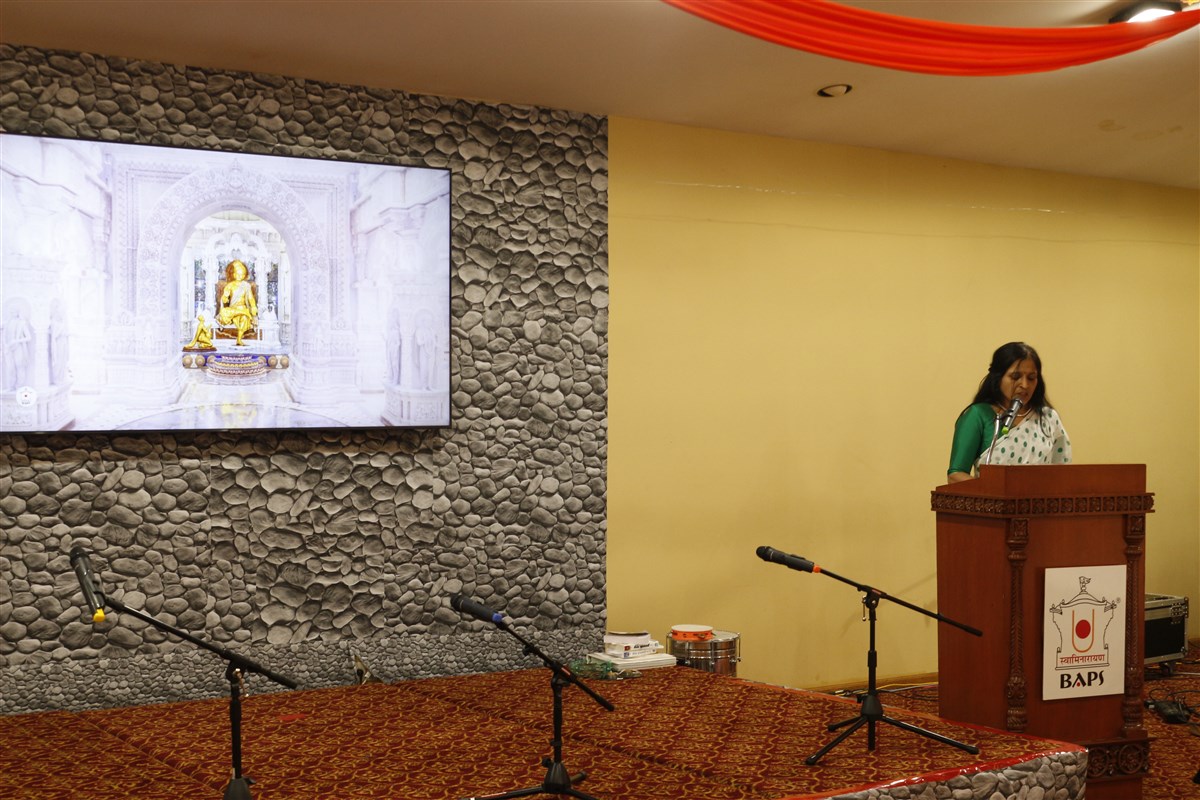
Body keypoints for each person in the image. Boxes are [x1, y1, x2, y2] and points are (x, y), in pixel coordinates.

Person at [947, 341, 1071, 483]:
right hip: (991, 497)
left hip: (1040, 497)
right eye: (1015, 377)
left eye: (1031, 378)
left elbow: (1062, 474)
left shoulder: (1048, 418)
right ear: (998, 377)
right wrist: (991, 491)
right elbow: (955, 475)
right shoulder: (978, 415)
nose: (1025, 385)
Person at [217, 259, 258, 346]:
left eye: (242, 274)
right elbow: (224, 299)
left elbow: (251, 298)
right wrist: (225, 298)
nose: (240, 276)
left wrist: (253, 307)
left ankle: (239, 339)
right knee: (224, 312)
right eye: (238, 274)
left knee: (244, 318)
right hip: (233, 310)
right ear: (234, 274)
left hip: (243, 310)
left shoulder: (246, 285)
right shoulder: (230, 285)